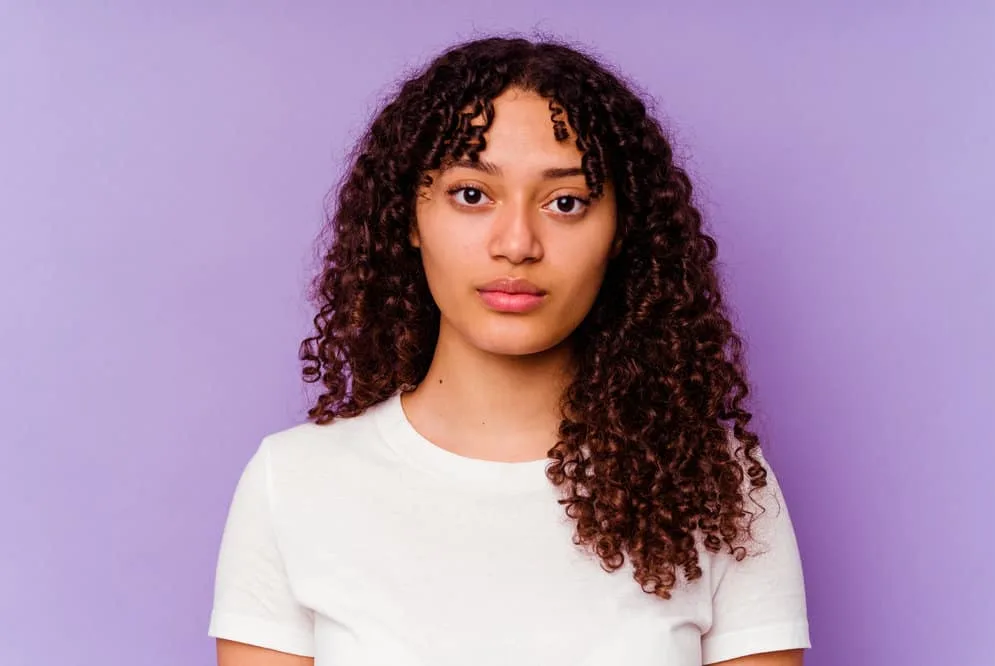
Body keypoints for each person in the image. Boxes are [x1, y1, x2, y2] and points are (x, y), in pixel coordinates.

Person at [208, 36, 810, 666]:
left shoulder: (718, 486)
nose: (518, 243)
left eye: (566, 202)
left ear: (621, 231)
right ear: (409, 218)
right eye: (472, 194)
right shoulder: (294, 483)